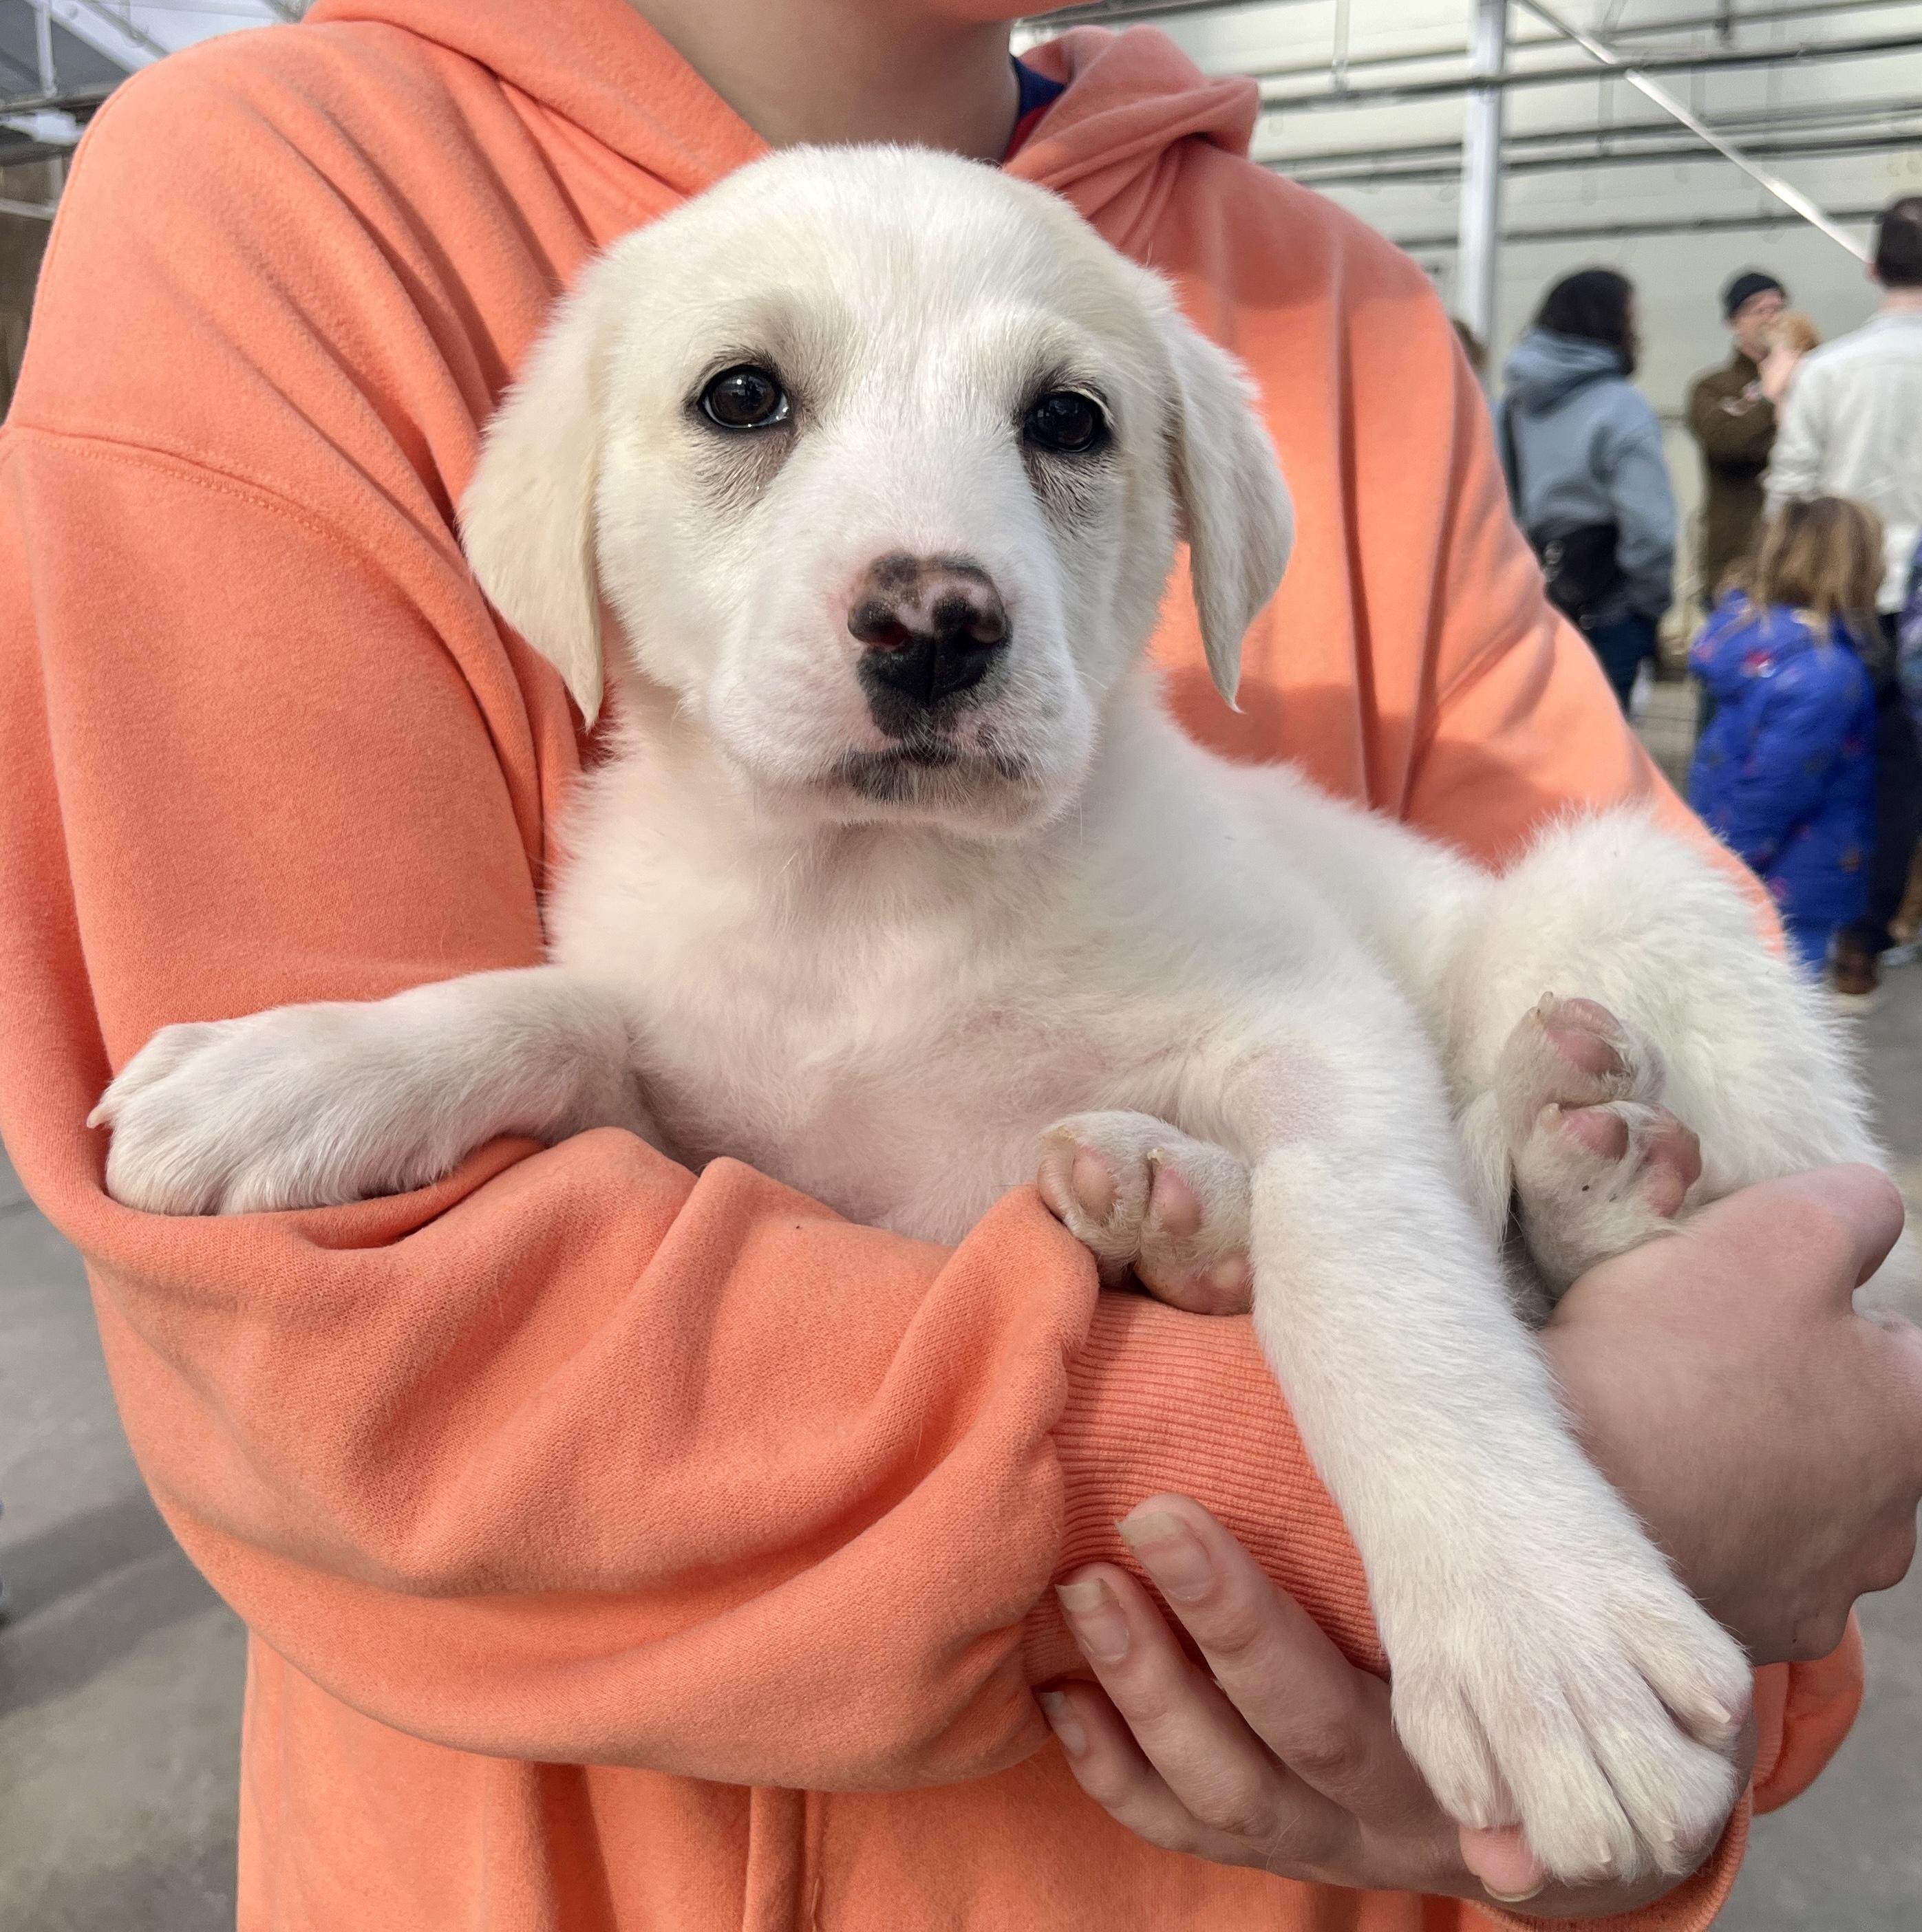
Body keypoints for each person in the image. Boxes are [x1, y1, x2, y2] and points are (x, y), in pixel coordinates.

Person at [1, 4, 1917, 1928]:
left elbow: (1745, 1385)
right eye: (748, 403)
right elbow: (396, 1332)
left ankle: (1537, 1215)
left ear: (1191, 522)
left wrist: (1664, 1516)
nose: (937, 588)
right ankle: (1500, 1230)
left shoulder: (1340, 330)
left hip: (1478, 1178)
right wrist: (486, 1041)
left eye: (1062, 426)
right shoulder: (285, 202)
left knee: (1611, 918)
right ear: (569, 504)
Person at [1769, 197, 1922, 1005]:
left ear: (1871, 267)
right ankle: (1865, 945)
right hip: (1917, 601)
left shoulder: (1827, 372)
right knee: (1902, 776)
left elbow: (1790, 491)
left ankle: (1803, 932)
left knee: (1823, 763)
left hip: (1839, 595)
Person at [1688, 497, 1881, 975]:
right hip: (1786, 892)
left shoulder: (1750, 642)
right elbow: (1773, 792)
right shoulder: (1827, 674)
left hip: (1731, 866)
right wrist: (1723, 877)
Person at [1499, 268, 1678, 711]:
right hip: (1608, 608)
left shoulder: (1510, 407)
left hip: (1528, 606)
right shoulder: (1622, 407)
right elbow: (1651, 530)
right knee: (1603, 743)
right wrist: (1648, 607)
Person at [1686, 270, 1798, 607]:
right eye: (1757, 309)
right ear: (1734, 322)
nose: (1771, 318)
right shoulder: (1713, 387)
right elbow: (1726, 443)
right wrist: (1769, 395)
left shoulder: (1812, 379)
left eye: (1777, 308)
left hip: (1800, 553)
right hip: (1737, 557)